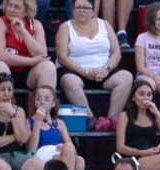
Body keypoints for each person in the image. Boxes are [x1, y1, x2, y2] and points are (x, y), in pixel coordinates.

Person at [55, 0, 133, 132]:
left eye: (86, 7)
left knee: (126, 77)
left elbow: (116, 52)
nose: (82, 10)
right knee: (69, 81)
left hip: (103, 71)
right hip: (76, 71)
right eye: (78, 7)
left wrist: (106, 69)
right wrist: (85, 72)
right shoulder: (65, 27)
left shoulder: (105, 24)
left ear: (92, 10)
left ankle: (110, 120)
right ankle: (90, 118)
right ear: (73, 10)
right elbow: (62, 57)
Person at [21, 85, 83, 170]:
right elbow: (31, 149)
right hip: (41, 154)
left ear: (53, 103)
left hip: (60, 153)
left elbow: (72, 148)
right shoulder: (29, 121)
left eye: (46, 99)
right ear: (35, 102)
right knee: (68, 151)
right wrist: (38, 122)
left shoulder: (59, 123)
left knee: (79, 161)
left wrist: (62, 147)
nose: (42, 102)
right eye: (38, 98)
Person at [0, 0, 55, 91]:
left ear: (27, 11)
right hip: (3, 68)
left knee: (48, 66)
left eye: (16, 7)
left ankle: (45, 103)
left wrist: (24, 32)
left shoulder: (36, 25)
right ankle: (5, 104)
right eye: (9, 5)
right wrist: (31, 61)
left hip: (27, 72)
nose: (11, 10)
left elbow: (42, 54)